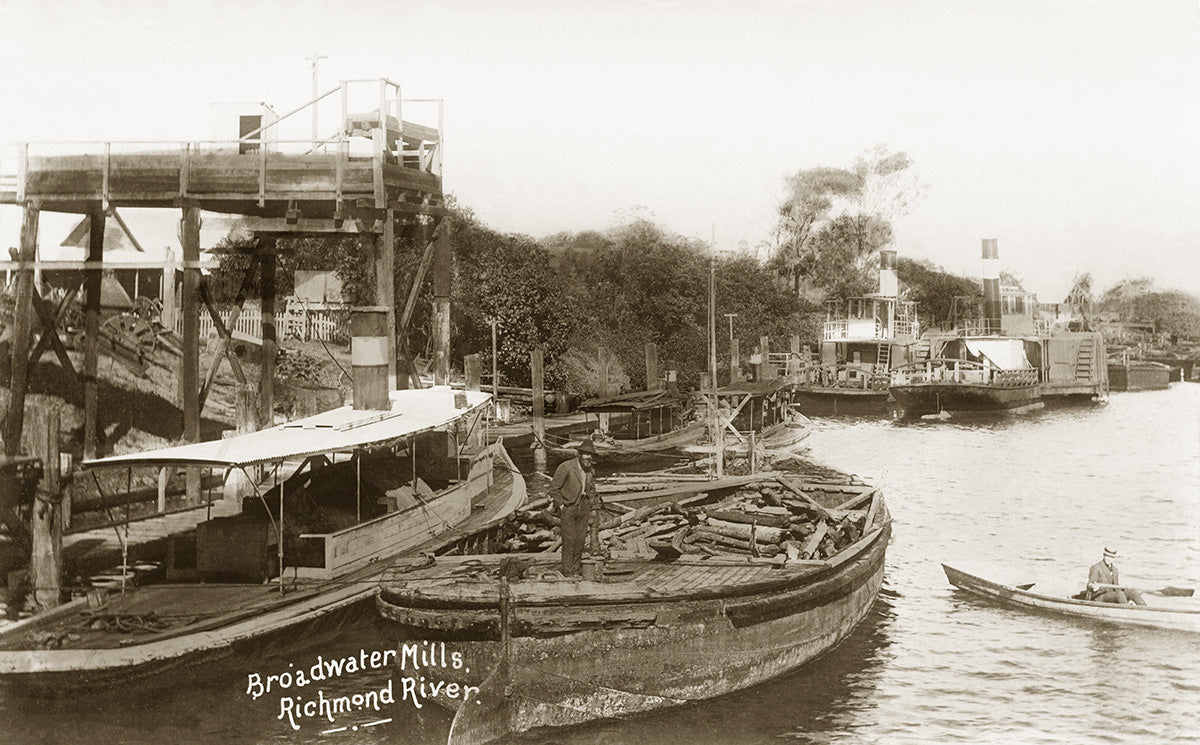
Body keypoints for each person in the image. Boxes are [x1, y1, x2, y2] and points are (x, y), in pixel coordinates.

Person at [547, 439, 599, 577]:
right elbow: (553, 489)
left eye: (591, 455)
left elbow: (592, 489)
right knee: (569, 540)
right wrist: (562, 505)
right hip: (569, 508)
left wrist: (591, 503)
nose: (588, 457)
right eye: (586, 454)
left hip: (583, 507)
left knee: (580, 540)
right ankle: (568, 572)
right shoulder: (566, 467)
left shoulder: (590, 470)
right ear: (579, 454)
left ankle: (576, 569)